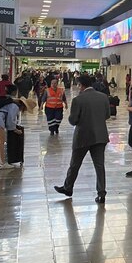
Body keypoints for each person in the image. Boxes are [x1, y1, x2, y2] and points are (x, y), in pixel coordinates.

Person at [53, 74, 111, 204]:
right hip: (100, 136)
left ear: (81, 85)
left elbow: (73, 121)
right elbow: (107, 115)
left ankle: (68, 188)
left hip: (83, 136)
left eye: (78, 85)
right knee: (99, 166)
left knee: (75, 164)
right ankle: (101, 193)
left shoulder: (78, 100)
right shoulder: (103, 97)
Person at [0, 94, 24, 170]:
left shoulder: (5, 103)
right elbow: (10, 120)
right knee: (0, 141)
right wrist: (15, 129)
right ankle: (2, 163)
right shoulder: (14, 106)